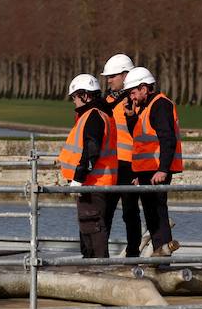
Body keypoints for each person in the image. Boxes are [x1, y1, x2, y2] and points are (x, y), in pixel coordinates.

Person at [124, 66, 182, 257]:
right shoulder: (147, 107)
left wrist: (163, 169)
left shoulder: (159, 105)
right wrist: (131, 117)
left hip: (156, 172)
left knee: (158, 217)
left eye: (133, 92)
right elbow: (141, 139)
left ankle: (163, 261)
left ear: (144, 88)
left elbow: (168, 139)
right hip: (147, 172)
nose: (132, 97)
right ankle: (160, 259)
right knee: (152, 218)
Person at [59, 74, 118, 258]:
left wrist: (78, 178)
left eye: (74, 97)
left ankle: (97, 269)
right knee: (90, 227)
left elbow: (92, 149)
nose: (74, 102)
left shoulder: (93, 116)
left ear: (84, 95)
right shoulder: (99, 113)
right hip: (97, 182)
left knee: (93, 228)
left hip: (94, 183)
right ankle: (93, 266)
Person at [100, 53, 144, 256]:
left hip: (129, 166)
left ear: (126, 75)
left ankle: (133, 255)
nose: (108, 80)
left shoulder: (135, 101)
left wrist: (139, 170)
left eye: (112, 76)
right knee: (105, 212)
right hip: (110, 165)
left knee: (130, 213)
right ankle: (101, 256)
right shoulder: (106, 100)